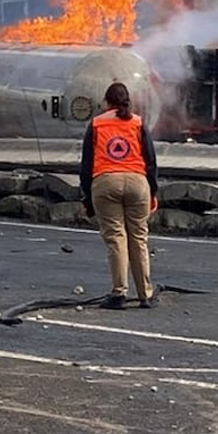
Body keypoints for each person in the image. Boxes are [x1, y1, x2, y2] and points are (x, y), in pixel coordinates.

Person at [79, 82, 158, 310]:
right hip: (137, 182)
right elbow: (150, 161)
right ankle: (145, 294)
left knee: (116, 237)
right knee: (139, 237)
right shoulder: (138, 122)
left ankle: (119, 292)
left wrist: (87, 197)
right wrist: (152, 191)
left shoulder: (96, 123)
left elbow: (86, 165)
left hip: (106, 182)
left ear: (107, 102)